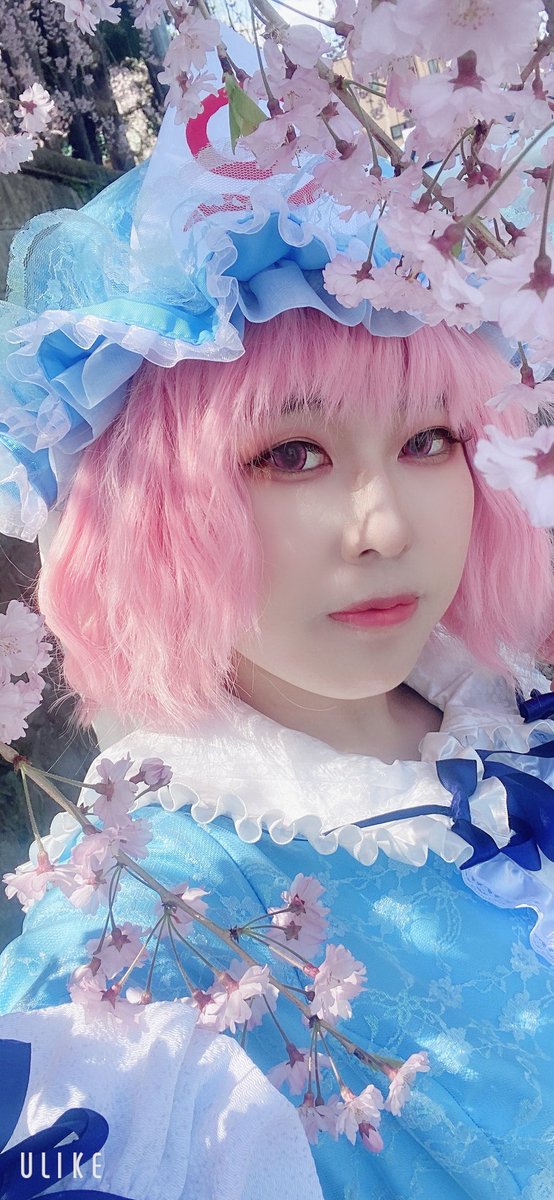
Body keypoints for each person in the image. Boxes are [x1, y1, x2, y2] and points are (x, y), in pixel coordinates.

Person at [1, 25, 554, 1200]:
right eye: (292, 454)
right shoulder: (145, 924)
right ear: (150, 512)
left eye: (428, 441)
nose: (385, 524)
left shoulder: (508, 702)